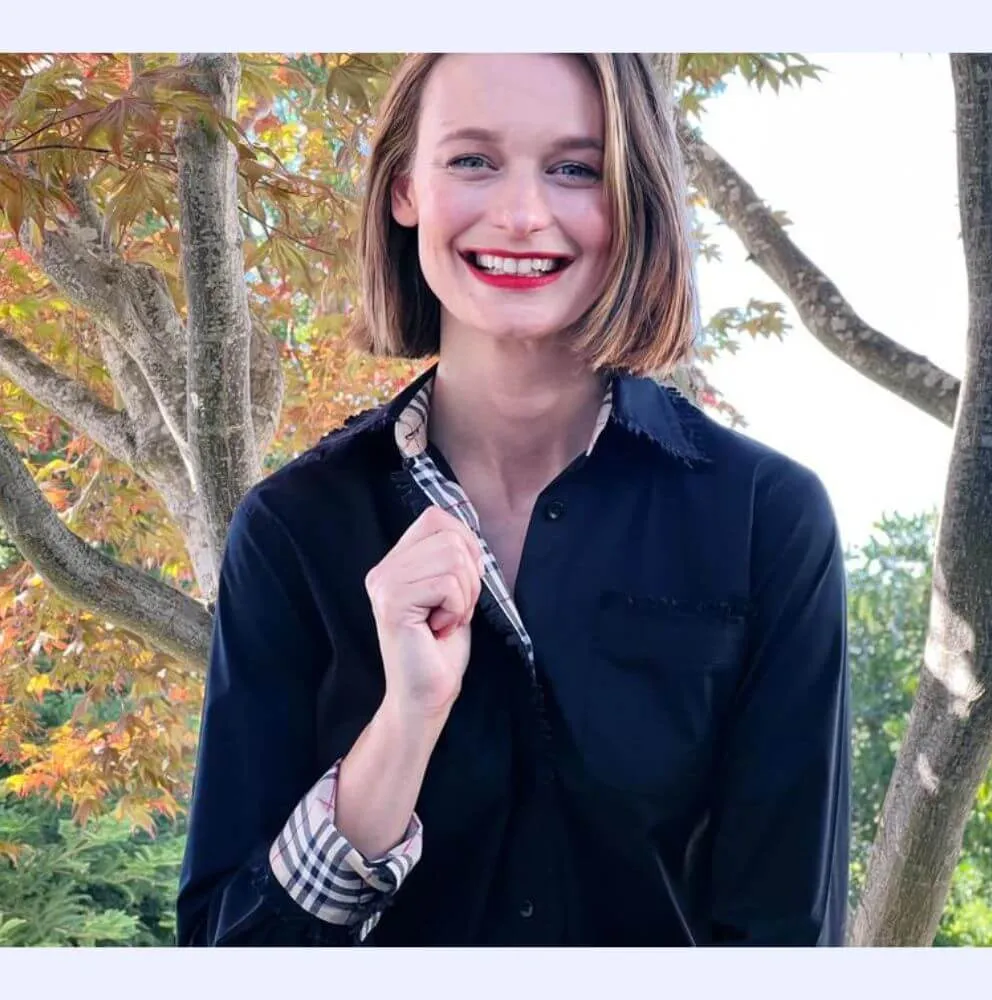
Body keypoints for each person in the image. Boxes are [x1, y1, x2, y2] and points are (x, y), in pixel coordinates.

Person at [176, 52, 850, 947]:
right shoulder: (291, 531)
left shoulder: (770, 520)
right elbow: (226, 952)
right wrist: (403, 726)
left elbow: (785, 941)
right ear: (404, 186)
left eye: (576, 168)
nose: (524, 214)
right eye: (472, 160)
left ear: (632, 196)